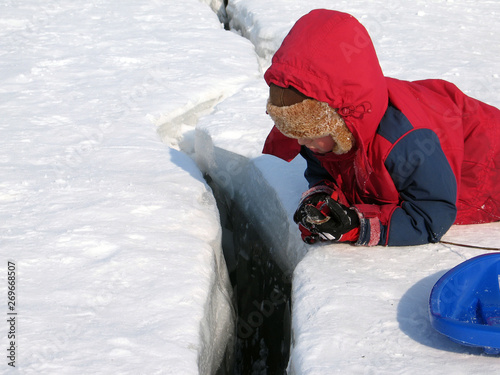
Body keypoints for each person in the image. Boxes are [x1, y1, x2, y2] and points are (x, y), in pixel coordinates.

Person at [263, 9, 500, 246]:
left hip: (485, 159)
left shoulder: (403, 143)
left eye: (311, 135)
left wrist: (357, 226)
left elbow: (432, 214)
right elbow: (325, 170)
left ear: (342, 122)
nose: (303, 143)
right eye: (296, 135)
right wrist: (322, 196)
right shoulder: (320, 134)